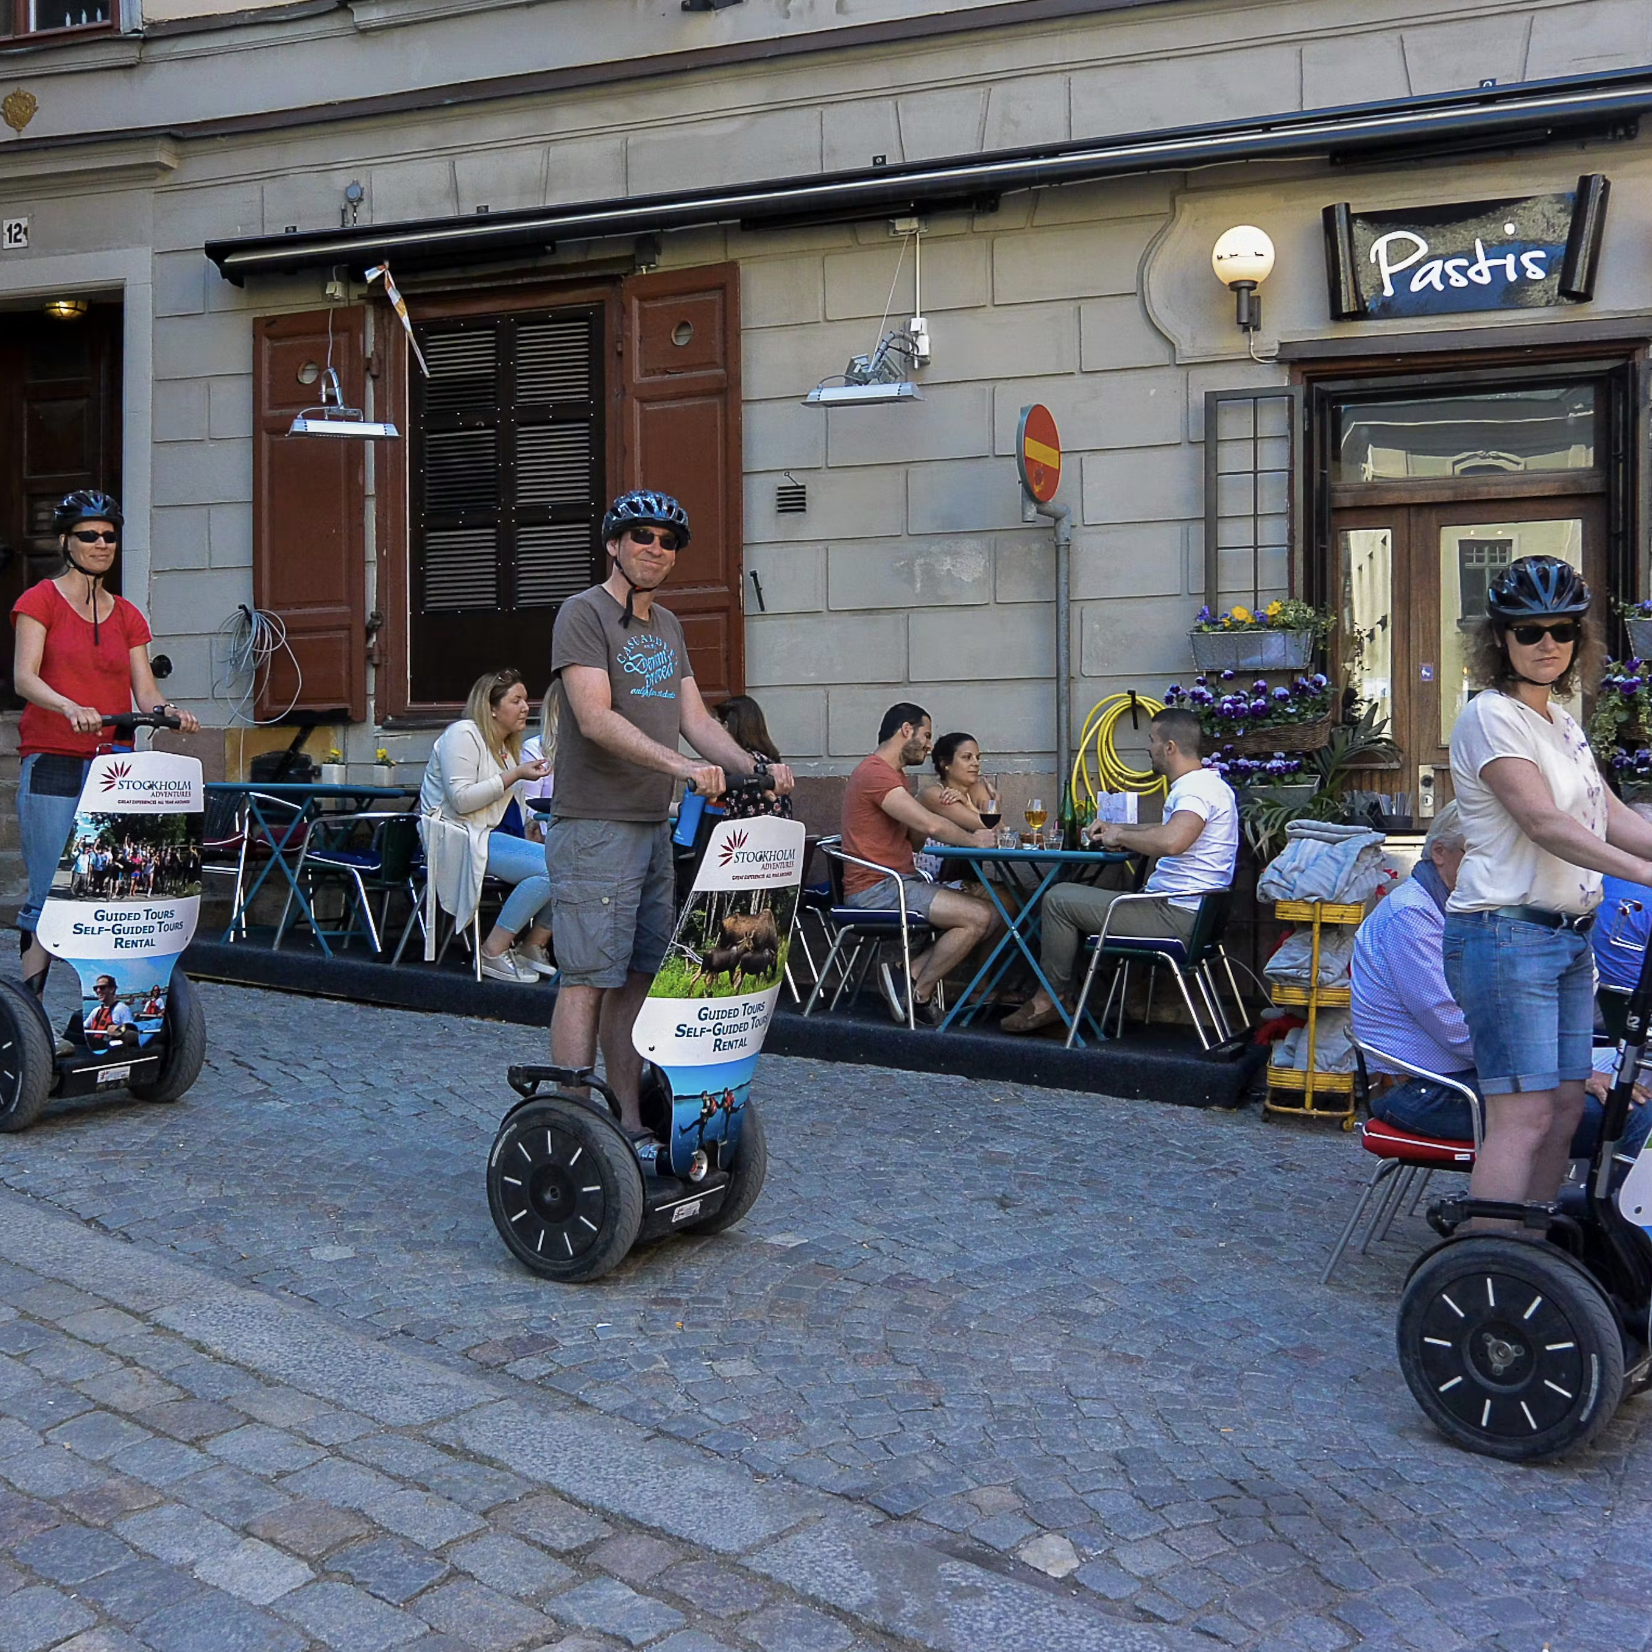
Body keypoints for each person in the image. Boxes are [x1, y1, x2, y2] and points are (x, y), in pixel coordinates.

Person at [546, 489, 794, 1138]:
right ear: (613, 544)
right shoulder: (582, 614)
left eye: (667, 541)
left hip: (653, 829)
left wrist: (755, 765)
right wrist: (682, 769)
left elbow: (696, 720)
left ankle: (628, 1119)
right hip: (596, 825)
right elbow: (595, 718)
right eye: (641, 537)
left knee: (640, 976)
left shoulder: (670, 627)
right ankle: (573, 1120)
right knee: (587, 977)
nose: (655, 549)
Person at [1443, 555, 1652, 1224]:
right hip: (1505, 934)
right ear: (1501, 639)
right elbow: (1542, 822)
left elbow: (1611, 816)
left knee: (1565, 1108)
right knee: (1525, 1115)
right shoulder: (1491, 716)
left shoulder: (1561, 723)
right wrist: (1647, 876)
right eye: (1529, 632)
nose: (1548, 645)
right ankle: (1488, 1263)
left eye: (1561, 630)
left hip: (1566, 939)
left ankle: (1533, 1255)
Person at [1352, 802, 1649, 1154]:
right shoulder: (1414, 914)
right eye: (1482, 851)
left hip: (1470, 1076)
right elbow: (1460, 1030)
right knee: (1633, 1114)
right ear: (1440, 853)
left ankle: (1587, 1202)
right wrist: (1569, 1072)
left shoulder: (1461, 906)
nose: (1498, 866)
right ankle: (1606, 1208)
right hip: (1429, 1090)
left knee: (1631, 1082)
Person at [10, 490, 199, 999]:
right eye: (89, 536)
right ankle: (30, 1013)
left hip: (114, 768)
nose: (101, 544)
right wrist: (69, 706)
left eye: (109, 536)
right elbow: (24, 678)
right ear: (66, 543)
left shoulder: (127, 616)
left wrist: (169, 713)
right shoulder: (40, 601)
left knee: (116, 893)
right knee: (51, 892)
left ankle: (117, 1008)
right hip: (53, 759)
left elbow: (146, 691)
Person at [1002, 706, 1237, 1034]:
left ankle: (1050, 1000)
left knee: (1057, 899)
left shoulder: (1194, 789)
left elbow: (1173, 841)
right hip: (1194, 917)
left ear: (1170, 747)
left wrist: (1122, 835)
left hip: (1172, 917)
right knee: (1075, 902)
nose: (1148, 748)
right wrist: (1121, 830)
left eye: (1152, 740)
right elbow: (1171, 829)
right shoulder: (1212, 785)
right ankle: (1068, 999)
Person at [840, 703, 1000, 1027]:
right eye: (927, 735)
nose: (929, 745)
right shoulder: (875, 773)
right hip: (876, 889)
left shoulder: (895, 776)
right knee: (980, 917)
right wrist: (974, 840)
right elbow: (930, 828)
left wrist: (954, 804)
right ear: (906, 730)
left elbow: (915, 841)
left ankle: (906, 974)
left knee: (993, 913)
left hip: (900, 882)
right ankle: (919, 993)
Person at [419, 668, 556, 983]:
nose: (526, 707)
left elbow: (506, 806)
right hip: (456, 837)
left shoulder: (506, 748)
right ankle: (493, 951)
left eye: (526, 700)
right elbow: (462, 801)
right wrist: (516, 774)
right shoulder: (463, 734)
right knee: (553, 868)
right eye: (516, 700)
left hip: (487, 837)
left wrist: (529, 824)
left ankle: (532, 946)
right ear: (492, 707)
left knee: (572, 866)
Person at [713, 695, 791, 820]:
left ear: (726, 726)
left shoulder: (732, 765)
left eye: (716, 725)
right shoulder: (770, 763)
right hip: (777, 836)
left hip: (740, 836)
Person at [916, 732, 998, 832]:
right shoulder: (935, 794)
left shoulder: (978, 790)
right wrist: (996, 802)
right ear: (945, 763)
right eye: (967, 757)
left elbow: (1000, 831)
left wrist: (969, 804)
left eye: (977, 758)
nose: (976, 763)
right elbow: (989, 825)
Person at [85, 975, 135, 1041]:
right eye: (95, 988)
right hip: (94, 1045)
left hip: (112, 1048)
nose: (98, 990)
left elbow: (133, 1034)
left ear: (112, 989)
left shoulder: (122, 1009)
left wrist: (120, 1030)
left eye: (102, 987)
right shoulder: (96, 1011)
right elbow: (84, 1026)